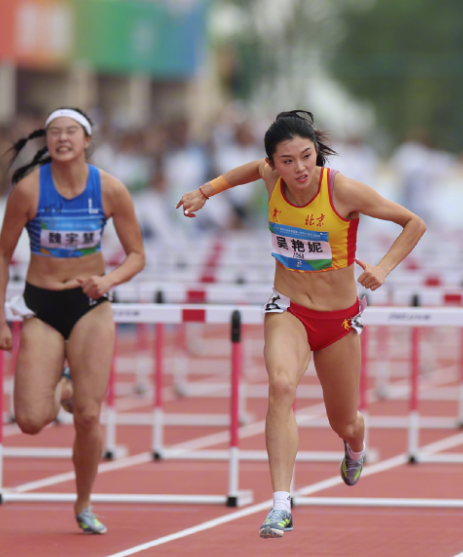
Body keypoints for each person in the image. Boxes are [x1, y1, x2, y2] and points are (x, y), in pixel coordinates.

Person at [177, 110, 426, 539]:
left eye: (306, 156)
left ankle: (355, 443)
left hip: (338, 321)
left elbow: (413, 223)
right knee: (280, 387)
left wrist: (383, 267)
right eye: (287, 161)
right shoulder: (271, 178)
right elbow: (246, 171)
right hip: (288, 310)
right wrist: (206, 191)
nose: (299, 169)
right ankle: (281, 504)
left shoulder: (342, 189)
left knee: (343, 421)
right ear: (274, 163)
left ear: (316, 152)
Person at [0, 108, 146, 534]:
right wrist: (0, 320)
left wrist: (107, 280)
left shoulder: (109, 189)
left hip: (90, 305)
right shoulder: (29, 190)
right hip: (41, 305)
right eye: (54, 132)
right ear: (47, 140)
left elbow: (137, 255)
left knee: (88, 417)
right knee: (30, 421)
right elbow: (1, 255)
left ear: (86, 140)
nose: (62, 138)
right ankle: (63, 385)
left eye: (71, 131)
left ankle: (83, 502)